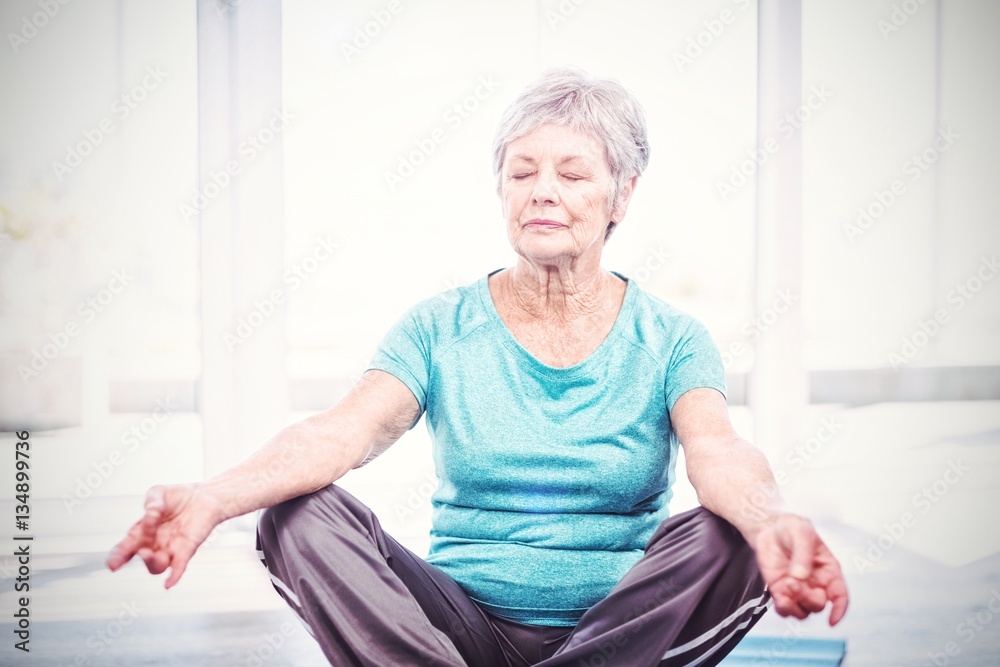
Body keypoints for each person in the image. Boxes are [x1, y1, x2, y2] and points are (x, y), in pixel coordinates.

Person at [107, 68, 849, 666]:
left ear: (622, 196)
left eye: (572, 173)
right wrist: (212, 494)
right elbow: (340, 434)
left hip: (619, 635)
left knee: (733, 535)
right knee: (299, 513)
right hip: (453, 635)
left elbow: (717, 450)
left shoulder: (672, 337)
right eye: (521, 171)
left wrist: (769, 517)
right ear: (501, 190)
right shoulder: (440, 327)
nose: (543, 191)